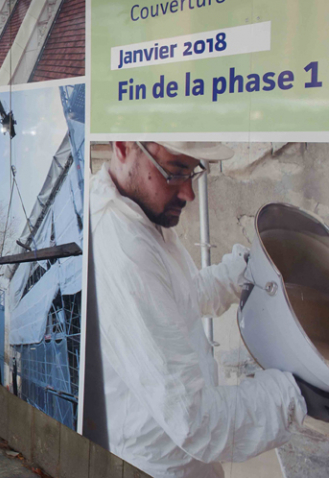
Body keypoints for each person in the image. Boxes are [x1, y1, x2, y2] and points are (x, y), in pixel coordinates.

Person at [91, 141, 306, 478]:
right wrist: (295, 392)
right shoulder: (122, 249)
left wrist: (241, 273)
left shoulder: (139, 210)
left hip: (184, 459)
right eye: (175, 172)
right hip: (160, 465)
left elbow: (179, 295)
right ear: (122, 146)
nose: (189, 193)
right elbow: (193, 421)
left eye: (193, 172)